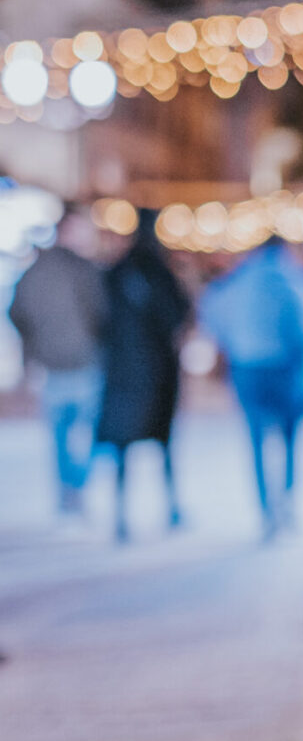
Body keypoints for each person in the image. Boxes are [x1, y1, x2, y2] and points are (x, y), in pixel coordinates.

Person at [200, 234, 303, 535]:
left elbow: (212, 312)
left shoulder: (240, 278)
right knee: (290, 439)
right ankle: (286, 501)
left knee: (256, 439)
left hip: (248, 368)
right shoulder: (295, 279)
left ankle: (266, 509)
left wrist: (231, 343)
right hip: (286, 368)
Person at [97, 209, 189, 541]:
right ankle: (172, 506)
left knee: (123, 448)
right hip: (157, 373)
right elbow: (177, 316)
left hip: (122, 371)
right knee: (163, 444)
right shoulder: (160, 273)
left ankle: (121, 515)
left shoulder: (117, 272)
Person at [8, 208, 107, 514]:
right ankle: (76, 485)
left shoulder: (33, 272)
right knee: (90, 431)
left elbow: (16, 315)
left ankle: (68, 491)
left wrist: (34, 350)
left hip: (52, 364)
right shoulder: (86, 270)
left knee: (61, 436)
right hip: (83, 362)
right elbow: (103, 314)